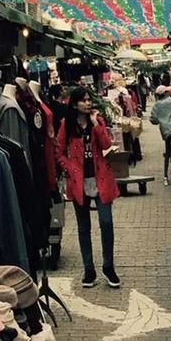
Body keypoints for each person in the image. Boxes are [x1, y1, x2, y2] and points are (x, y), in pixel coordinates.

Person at [55, 87, 121, 290]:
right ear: (75, 104)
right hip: (79, 182)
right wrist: (70, 168)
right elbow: (59, 151)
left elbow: (106, 144)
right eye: (83, 100)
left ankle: (108, 267)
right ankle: (89, 269)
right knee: (84, 228)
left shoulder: (97, 122)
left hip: (101, 179)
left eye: (89, 99)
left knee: (106, 222)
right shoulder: (67, 125)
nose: (87, 103)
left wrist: (96, 124)